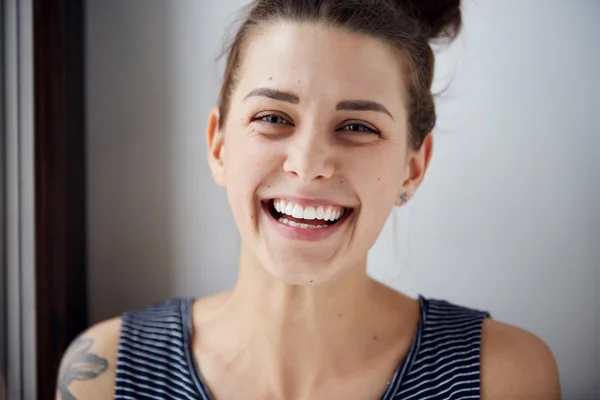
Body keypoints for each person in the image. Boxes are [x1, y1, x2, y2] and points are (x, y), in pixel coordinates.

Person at [56, 0, 561, 399]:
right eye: (274, 118)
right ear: (218, 145)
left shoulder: (503, 378)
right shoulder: (106, 372)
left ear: (414, 166)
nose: (308, 162)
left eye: (358, 126)